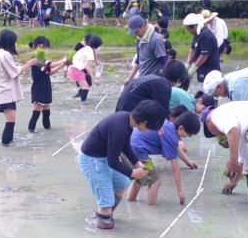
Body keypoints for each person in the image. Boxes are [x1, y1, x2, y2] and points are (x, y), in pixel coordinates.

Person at [79, 100, 166, 229]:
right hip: (93, 160)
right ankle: (104, 220)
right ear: (144, 122)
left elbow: (125, 146)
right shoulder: (119, 128)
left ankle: (103, 214)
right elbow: (113, 160)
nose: (150, 131)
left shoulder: (127, 120)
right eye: (151, 129)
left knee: (122, 183)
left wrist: (137, 163)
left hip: (103, 158)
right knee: (106, 202)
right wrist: (133, 173)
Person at [128, 111, 201, 205]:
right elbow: (175, 167)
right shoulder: (170, 135)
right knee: (155, 181)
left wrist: (187, 161)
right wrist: (180, 191)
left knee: (142, 175)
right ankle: (151, 210)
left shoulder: (168, 126)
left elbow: (175, 147)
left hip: (130, 145)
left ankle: (130, 201)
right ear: (181, 128)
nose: (189, 136)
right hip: (138, 150)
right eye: (189, 134)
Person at [0, 29, 37, 146]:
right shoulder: (5, 54)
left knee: (10, 121)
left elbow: (11, 70)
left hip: (1, 90)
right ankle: (6, 148)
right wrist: (29, 63)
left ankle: (8, 146)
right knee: (10, 121)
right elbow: (15, 72)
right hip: (5, 91)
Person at [27, 36, 67, 132]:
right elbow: (49, 64)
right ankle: (31, 132)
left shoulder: (42, 58)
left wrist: (61, 65)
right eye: (46, 47)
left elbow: (49, 72)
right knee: (36, 112)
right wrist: (62, 61)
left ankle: (48, 130)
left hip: (45, 86)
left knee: (46, 111)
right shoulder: (36, 58)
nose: (46, 50)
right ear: (41, 45)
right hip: (39, 87)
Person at [116, 60, 188, 113]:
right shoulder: (163, 85)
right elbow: (162, 112)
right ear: (178, 79)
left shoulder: (154, 77)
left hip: (120, 110)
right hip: (128, 113)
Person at [123, 15, 167, 85]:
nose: (135, 34)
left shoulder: (156, 40)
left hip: (153, 81)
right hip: (142, 78)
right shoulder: (140, 38)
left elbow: (164, 62)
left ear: (143, 26)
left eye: (136, 31)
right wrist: (129, 79)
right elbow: (138, 60)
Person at [183, 13, 220, 91]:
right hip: (202, 69)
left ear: (194, 26)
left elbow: (204, 55)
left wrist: (193, 68)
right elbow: (192, 49)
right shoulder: (197, 34)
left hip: (210, 70)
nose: (188, 31)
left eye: (187, 29)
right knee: (201, 91)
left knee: (209, 92)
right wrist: (188, 64)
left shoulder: (205, 35)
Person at [68, 35, 102, 102]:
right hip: (76, 70)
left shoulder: (88, 48)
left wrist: (96, 61)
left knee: (86, 87)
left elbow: (93, 53)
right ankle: (83, 104)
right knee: (85, 88)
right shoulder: (89, 51)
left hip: (75, 69)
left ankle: (79, 99)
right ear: (97, 46)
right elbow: (87, 66)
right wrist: (94, 79)